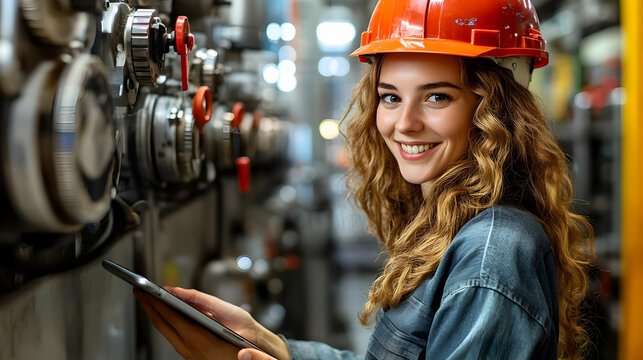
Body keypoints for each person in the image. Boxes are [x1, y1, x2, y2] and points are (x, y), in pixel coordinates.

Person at [134, 0, 595, 359]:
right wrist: (274, 346)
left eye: (437, 96)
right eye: (391, 97)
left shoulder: (494, 252)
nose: (404, 124)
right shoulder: (456, 224)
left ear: (496, 111)